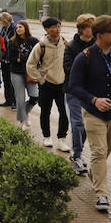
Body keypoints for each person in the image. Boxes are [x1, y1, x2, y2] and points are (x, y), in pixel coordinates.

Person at [67, 15, 111, 212]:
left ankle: (95, 172)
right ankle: (102, 194)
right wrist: (94, 100)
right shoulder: (85, 57)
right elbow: (74, 86)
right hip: (93, 113)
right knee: (98, 151)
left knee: (109, 147)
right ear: (100, 35)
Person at [25, 16, 70, 150]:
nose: (57, 30)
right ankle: (46, 137)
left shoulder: (66, 44)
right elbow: (30, 65)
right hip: (46, 84)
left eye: (59, 26)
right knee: (45, 111)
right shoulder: (41, 45)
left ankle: (62, 139)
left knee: (64, 112)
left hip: (62, 84)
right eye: (54, 27)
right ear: (46, 29)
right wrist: (40, 80)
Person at [63, 13, 96, 176]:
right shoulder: (71, 47)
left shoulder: (97, 45)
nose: (94, 31)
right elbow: (68, 70)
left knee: (87, 127)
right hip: (74, 92)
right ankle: (76, 156)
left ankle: (77, 152)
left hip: (91, 94)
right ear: (82, 29)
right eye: (91, 28)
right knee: (77, 124)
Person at [6, 19, 40, 132]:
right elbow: (10, 58)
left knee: (35, 96)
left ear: (26, 28)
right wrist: (21, 59)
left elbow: (38, 56)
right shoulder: (12, 41)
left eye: (20, 27)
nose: (18, 29)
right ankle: (22, 121)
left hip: (30, 73)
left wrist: (22, 59)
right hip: (16, 72)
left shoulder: (34, 41)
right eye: (17, 27)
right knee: (20, 100)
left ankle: (25, 112)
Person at [0, 11, 18, 108]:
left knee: (13, 82)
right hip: (4, 58)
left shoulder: (14, 28)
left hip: (12, 58)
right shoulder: (2, 28)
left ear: (4, 21)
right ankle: (8, 100)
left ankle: (15, 102)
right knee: (6, 80)